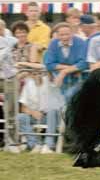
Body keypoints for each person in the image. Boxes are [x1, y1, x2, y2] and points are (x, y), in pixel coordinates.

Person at [43, 22, 89, 103]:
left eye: (67, 34)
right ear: (57, 35)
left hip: (79, 81)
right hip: (61, 83)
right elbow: (49, 64)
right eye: (62, 35)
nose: (65, 37)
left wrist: (63, 72)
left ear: (72, 34)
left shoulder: (80, 42)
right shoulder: (53, 43)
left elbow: (84, 63)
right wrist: (70, 68)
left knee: (69, 97)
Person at [17, 74, 60, 154]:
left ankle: (48, 145)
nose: (36, 72)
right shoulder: (28, 84)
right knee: (20, 117)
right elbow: (23, 107)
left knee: (52, 110)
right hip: (34, 116)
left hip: (49, 116)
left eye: (37, 65)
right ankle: (35, 144)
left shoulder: (48, 80)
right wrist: (33, 112)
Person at [0, 21, 19, 153]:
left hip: (9, 77)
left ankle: (11, 143)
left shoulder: (13, 40)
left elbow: (14, 58)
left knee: (11, 110)